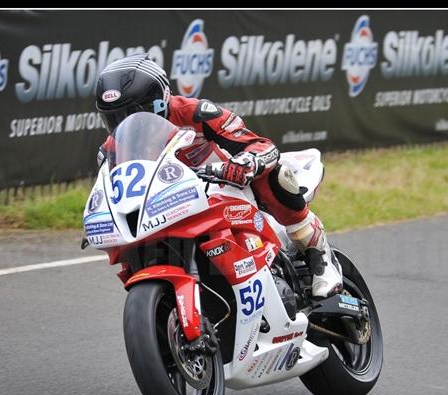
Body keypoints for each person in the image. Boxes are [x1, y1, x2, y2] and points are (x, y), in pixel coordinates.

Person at [94, 53, 342, 298]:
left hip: (227, 187)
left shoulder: (197, 112)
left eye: (135, 112)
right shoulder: (111, 149)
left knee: (276, 175)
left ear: (161, 100)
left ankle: (320, 257)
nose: (125, 123)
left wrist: (246, 164)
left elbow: (261, 146)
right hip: (172, 204)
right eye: (114, 118)